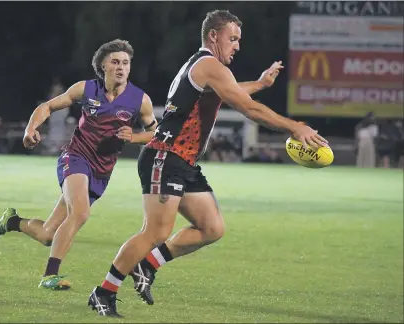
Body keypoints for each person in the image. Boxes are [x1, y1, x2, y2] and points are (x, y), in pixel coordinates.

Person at [87, 10, 327, 318]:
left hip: (182, 161)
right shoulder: (208, 64)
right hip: (165, 155)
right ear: (213, 36)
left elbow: (232, 91)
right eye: (233, 38)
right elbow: (247, 108)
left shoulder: (206, 67)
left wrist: (260, 83)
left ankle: (147, 266)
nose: (237, 46)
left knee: (211, 228)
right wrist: (295, 126)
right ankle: (103, 293)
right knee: (155, 232)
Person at [0, 39, 158, 290]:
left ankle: (10, 222)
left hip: (101, 172)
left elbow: (156, 133)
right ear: (103, 66)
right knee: (81, 213)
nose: (121, 67)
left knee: (48, 235)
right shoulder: (86, 89)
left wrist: (135, 137)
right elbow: (48, 106)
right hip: (75, 158)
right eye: (115, 62)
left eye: (126, 63)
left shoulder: (140, 100)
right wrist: (31, 128)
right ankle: (49, 276)